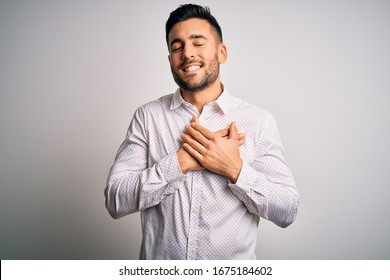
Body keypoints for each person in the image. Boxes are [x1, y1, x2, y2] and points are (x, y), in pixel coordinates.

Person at [105, 4, 299, 260]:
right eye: (177, 47)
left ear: (222, 52)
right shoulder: (148, 117)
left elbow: (287, 210)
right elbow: (116, 201)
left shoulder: (258, 121)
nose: (187, 54)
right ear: (170, 59)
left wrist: (234, 169)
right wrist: (181, 162)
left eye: (198, 43)